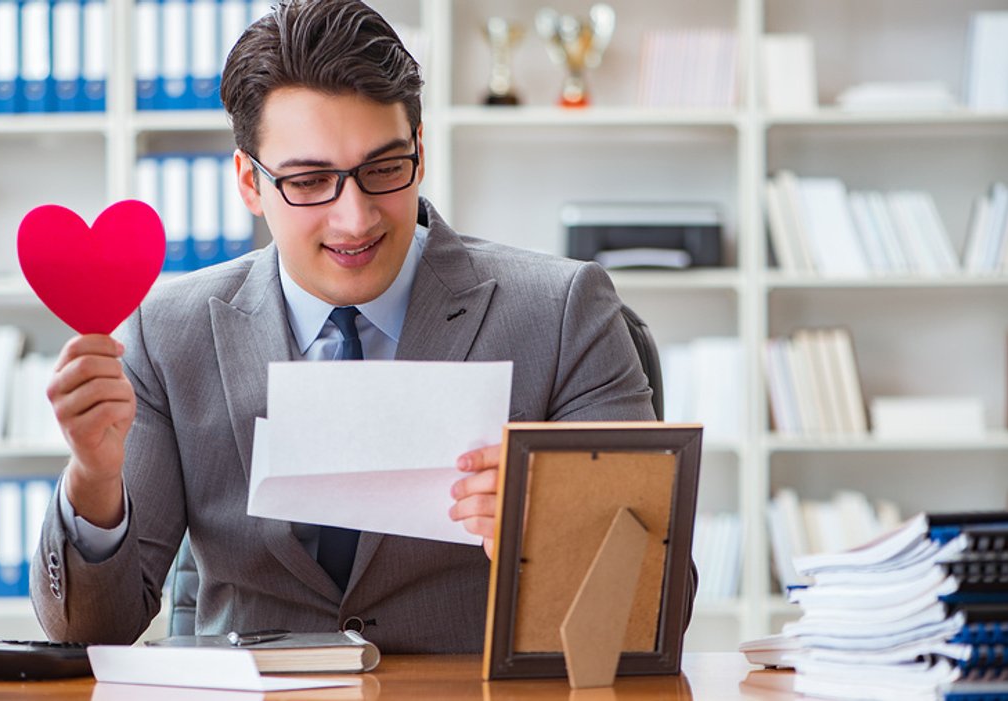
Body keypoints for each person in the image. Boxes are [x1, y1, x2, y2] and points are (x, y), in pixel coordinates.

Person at [32, 0, 657, 653]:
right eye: (309, 181)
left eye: (383, 170)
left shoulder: (560, 312)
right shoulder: (167, 334)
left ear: (419, 150)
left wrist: (551, 532)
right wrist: (93, 478)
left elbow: (651, 610)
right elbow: (90, 632)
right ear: (249, 183)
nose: (355, 219)